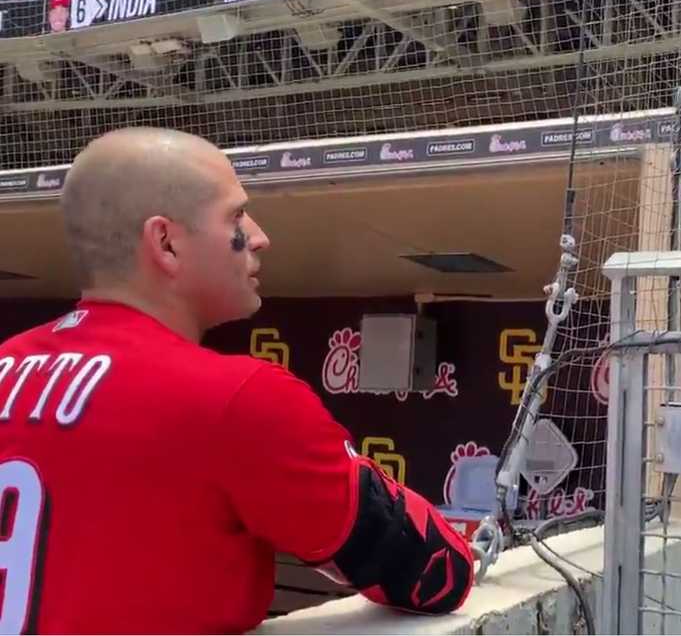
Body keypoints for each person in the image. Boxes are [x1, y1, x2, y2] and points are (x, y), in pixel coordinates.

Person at [0, 128, 473, 633]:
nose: (260, 236)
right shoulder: (237, 397)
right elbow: (433, 573)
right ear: (165, 242)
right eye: (236, 215)